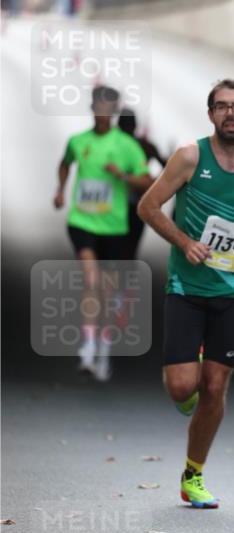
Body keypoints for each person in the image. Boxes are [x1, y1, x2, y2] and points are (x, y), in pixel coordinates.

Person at [137, 78, 234, 509]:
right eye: (222, 106)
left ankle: (193, 475)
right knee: (181, 386)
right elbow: (148, 206)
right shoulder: (190, 157)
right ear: (210, 114)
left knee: (215, 385)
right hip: (187, 286)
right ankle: (189, 378)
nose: (230, 113)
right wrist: (184, 242)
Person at [54, 85, 152, 381]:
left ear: (114, 111)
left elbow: (147, 181)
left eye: (108, 108)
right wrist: (60, 190)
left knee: (108, 293)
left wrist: (122, 175)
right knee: (91, 280)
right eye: (98, 107)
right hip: (82, 222)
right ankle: (86, 347)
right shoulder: (78, 141)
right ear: (92, 108)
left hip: (114, 227)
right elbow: (65, 163)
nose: (102, 113)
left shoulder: (127, 146)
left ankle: (103, 350)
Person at [118, 109, 167, 257]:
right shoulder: (145, 145)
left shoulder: (113, 144)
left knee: (112, 245)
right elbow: (167, 168)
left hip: (116, 201)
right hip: (137, 201)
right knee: (131, 246)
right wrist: (152, 183)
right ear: (135, 126)